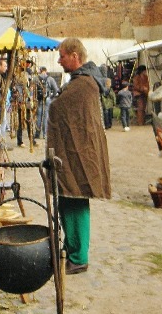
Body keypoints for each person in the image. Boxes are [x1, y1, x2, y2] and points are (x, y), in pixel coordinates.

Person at [46, 37, 111, 275]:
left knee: (74, 200)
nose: (59, 60)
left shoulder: (84, 85)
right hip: (73, 155)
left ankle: (78, 256)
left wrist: (56, 104)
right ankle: (73, 249)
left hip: (78, 156)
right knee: (68, 199)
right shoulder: (81, 82)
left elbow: (60, 109)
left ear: (75, 56)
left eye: (62, 56)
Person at [34, 66, 59, 140]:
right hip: (47, 99)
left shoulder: (36, 78)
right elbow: (55, 90)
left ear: (40, 70)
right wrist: (52, 97)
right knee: (46, 116)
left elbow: (32, 89)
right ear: (46, 70)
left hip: (39, 99)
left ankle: (37, 134)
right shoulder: (50, 79)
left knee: (38, 116)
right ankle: (45, 134)